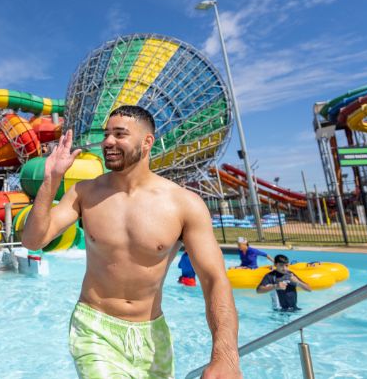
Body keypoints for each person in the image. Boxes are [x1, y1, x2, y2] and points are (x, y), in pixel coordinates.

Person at [22, 106, 241, 379]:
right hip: (94, 327)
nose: (108, 141)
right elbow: (33, 240)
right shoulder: (85, 193)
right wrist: (51, 180)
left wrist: (225, 355)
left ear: (147, 142)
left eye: (119, 134)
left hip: (152, 333)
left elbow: (214, 279)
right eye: (106, 134)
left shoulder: (184, 204)